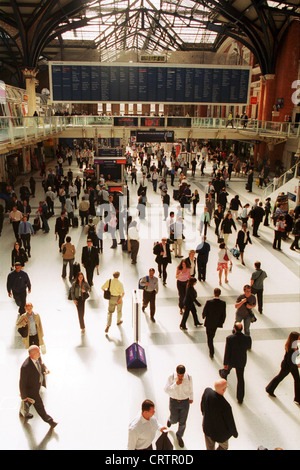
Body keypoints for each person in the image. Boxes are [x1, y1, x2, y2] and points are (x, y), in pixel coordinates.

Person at [19, 345, 57, 428]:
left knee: (29, 402)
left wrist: (45, 369)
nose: (40, 354)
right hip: (31, 390)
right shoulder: (26, 367)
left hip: (36, 386)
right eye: (38, 352)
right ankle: (50, 421)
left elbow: (42, 365)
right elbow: (22, 382)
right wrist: (24, 396)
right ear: (31, 354)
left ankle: (23, 411)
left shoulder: (37, 358)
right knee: (39, 406)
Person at [201, 379, 238, 450]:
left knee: (209, 447)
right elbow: (230, 421)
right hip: (220, 433)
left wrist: (204, 413)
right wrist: (235, 433)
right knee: (224, 446)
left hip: (207, 427)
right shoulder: (225, 405)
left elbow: (202, 405)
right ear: (223, 390)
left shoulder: (207, 392)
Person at [220, 322, 252, 404]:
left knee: (227, 371)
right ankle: (240, 398)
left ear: (234, 329)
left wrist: (225, 363)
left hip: (231, 360)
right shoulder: (247, 338)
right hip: (241, 360)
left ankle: (223, 374)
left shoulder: (230, 338)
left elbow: (227, 351)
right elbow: (248, 346)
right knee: (240, 379)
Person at [266, 331, 300, 405]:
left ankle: (298, 398)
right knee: (280, 377)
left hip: (291, 365)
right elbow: (289, 360)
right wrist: (297, 365)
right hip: (287, 366)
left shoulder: (294, 345)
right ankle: (269, 389)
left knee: (297, 380)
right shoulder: (291, 348)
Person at [164, 365, 193, 448]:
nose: (181, 377)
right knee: (174, 419)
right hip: (174, 401)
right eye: (179, 375)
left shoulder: (188, 377)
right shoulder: (172, 377)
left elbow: (191, 388)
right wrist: (176, 384)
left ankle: (179, 436)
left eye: (182, 375)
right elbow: (166, 389)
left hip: (185, 402)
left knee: (183, 422)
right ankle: (170, 420)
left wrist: (191, 398)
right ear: (176, 373)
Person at [202, 288, 226, 358]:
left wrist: (203, 316)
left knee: (209, 337)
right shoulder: (223, 303)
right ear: (220, 294)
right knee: (212, 335)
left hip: (209, 322)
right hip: (216, 323)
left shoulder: (209, 302)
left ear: (214, 293)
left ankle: (211, 351)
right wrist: (221, 322)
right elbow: (223, 314)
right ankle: (211, 345)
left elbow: (205, 311)